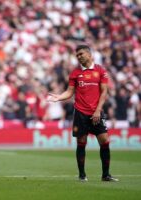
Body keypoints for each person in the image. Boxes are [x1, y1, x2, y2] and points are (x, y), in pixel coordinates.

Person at [47, 45, 118, 182]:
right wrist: (59, 97)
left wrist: (98, 110)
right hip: (80, 113)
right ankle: (82, 175)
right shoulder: (75, 73)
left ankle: (106, 175)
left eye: (81, 54)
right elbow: (69, 92)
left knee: (104, 141)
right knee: (81, 142)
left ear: (89, 54)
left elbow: (104, 92)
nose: (79, 56)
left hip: (97, 112)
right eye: (77, 55)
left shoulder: (100, 71)